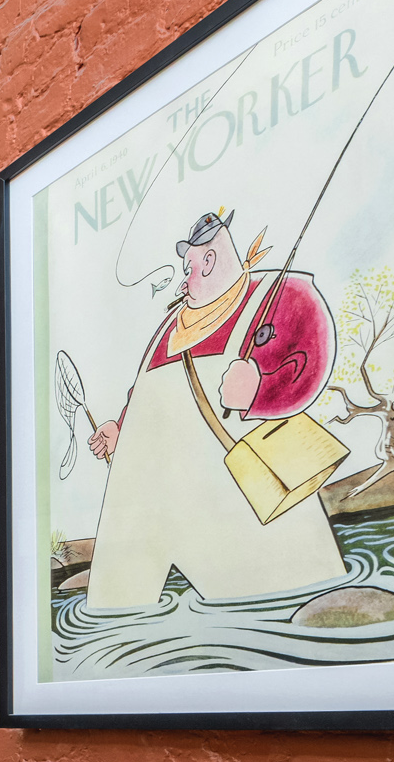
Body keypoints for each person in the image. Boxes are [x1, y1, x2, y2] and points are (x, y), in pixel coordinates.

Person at [84, 210, 341, 607]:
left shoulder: (280, 295)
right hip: (173, 510)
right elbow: (144, 395)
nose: (184, 280)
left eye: (189, 267)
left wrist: (262, 389)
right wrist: (123, 429)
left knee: (289, 604)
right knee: (122, 606)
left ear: (209, 259)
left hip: (259, 509)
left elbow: (312, 354)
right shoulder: (169, 326)